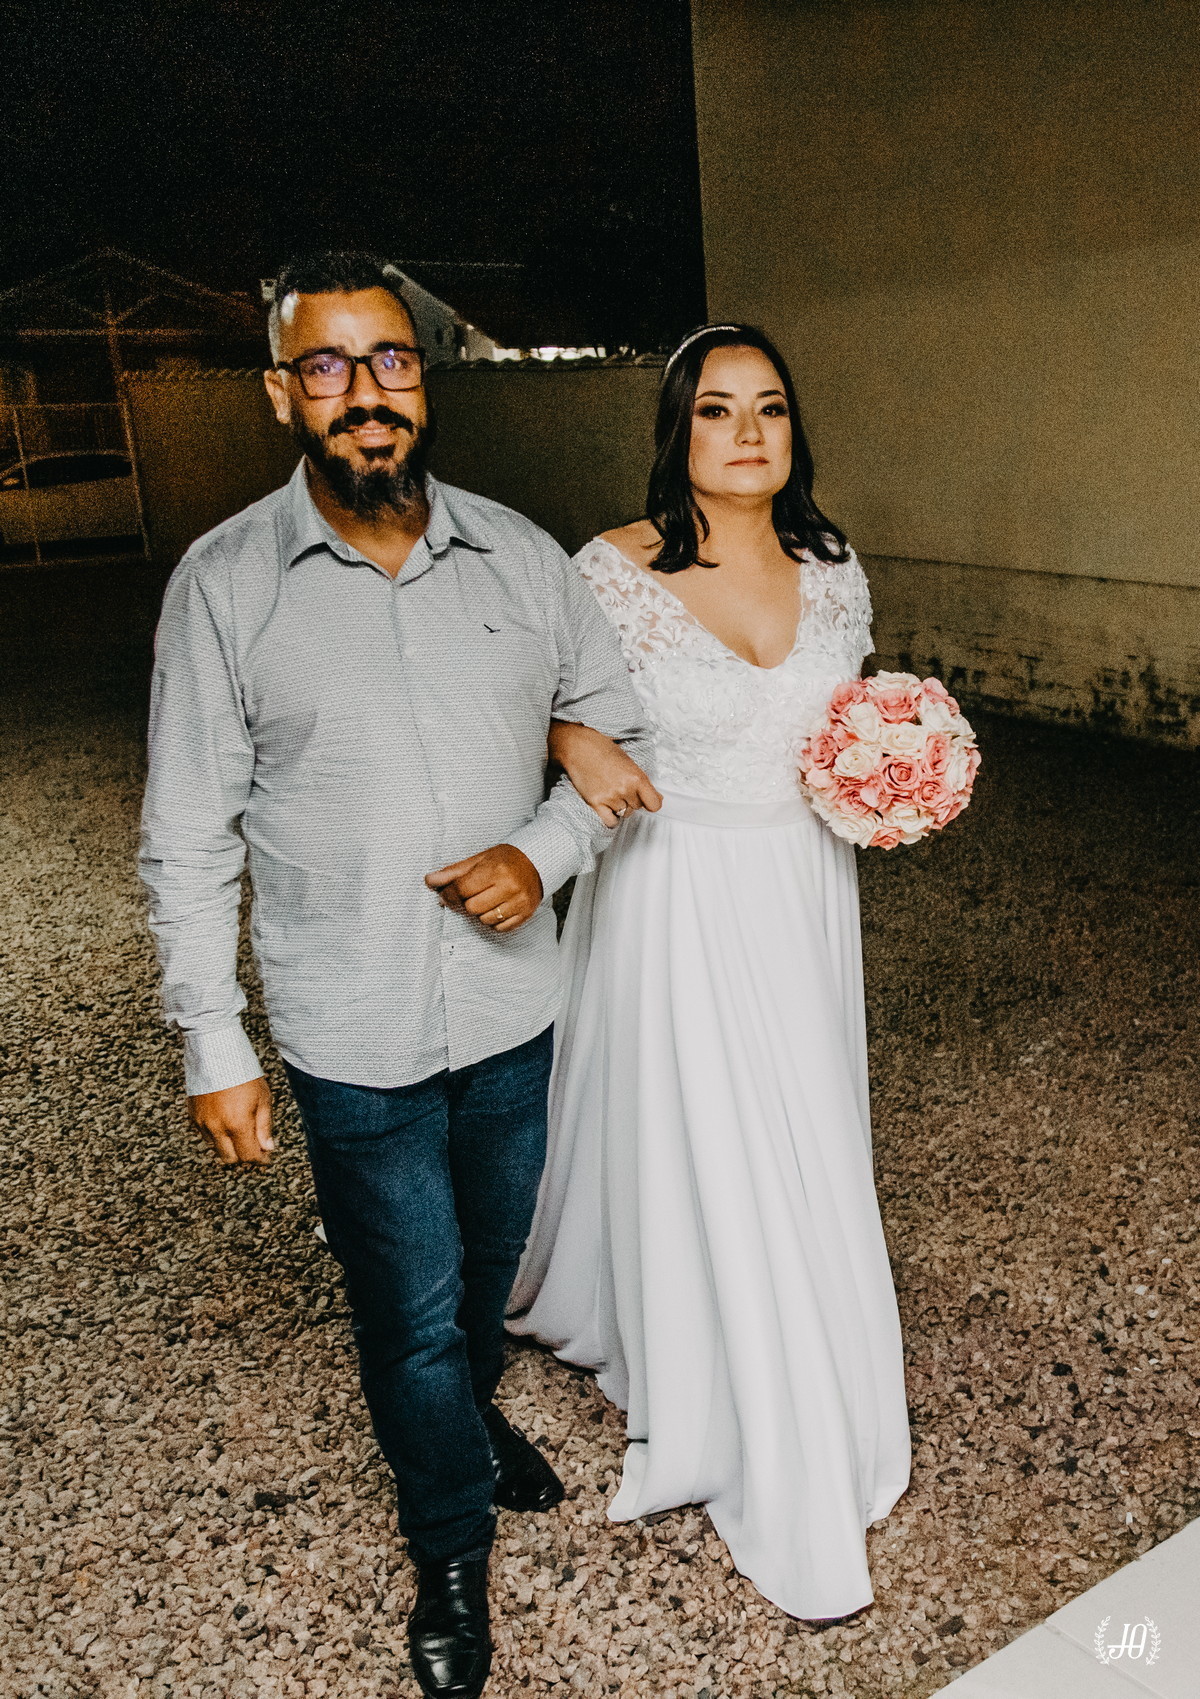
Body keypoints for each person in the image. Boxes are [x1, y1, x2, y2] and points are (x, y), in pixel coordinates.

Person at [138, 250, 655, 1699]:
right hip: (349, 1028)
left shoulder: (522, 558)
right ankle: (448, 1547)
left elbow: (618, 733)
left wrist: (541, 855)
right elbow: (186, 838)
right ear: (281, 393)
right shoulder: (224, 585)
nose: (364, 392)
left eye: (390, 361)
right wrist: (214, 1045)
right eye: (327, 365)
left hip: (511, 1008)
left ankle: (469, 1420)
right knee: (410, 1309)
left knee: (488, 1270)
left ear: (423, 380)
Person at [507, 324, 912, 1621]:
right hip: (675, 885)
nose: (747, 431)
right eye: (717, 408)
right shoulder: (610, 569)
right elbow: (532, 700)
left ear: (794, 431)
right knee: (712, 1128)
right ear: (676, 429)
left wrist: (895, 770)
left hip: (800, 884)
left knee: (801, 1118)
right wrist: (575, 743)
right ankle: (746, 1385)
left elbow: (849, 720)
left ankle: (811, 1330)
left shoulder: (833, 567)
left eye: (770, 408)